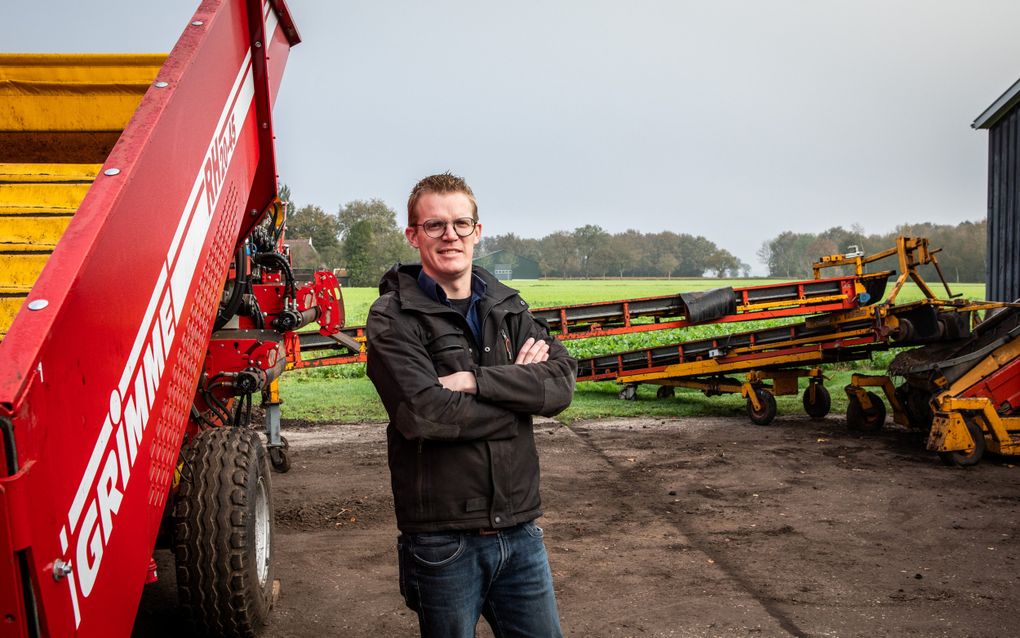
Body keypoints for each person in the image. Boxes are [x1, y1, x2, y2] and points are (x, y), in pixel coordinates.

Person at [366, 172, 577, 637]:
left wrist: (473, 381)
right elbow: (425, 414)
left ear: (477, 231)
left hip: (520, 533)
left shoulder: (507, 307)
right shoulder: (393, 317)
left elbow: (560, 384)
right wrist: (519, 400)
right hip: (443, 542)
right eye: (435, 225)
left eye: (462, 223)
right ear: (413, 235)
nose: (450, 236)